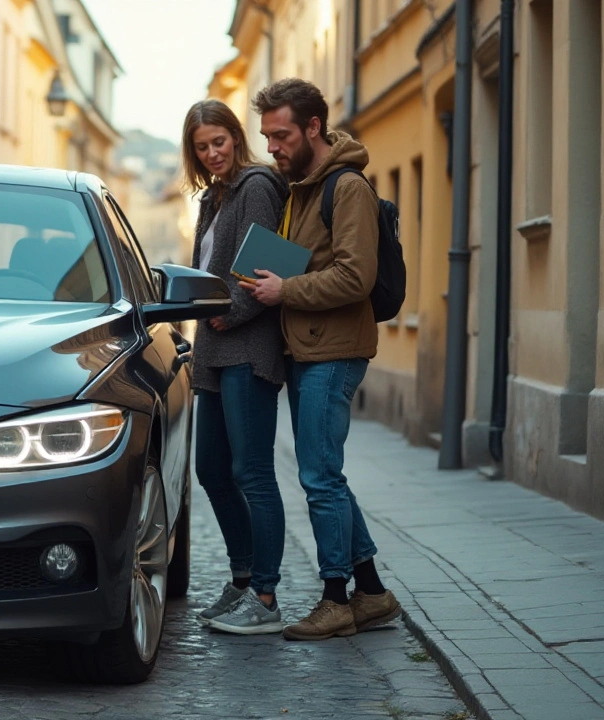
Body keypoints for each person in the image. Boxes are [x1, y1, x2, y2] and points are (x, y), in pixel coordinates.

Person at [241, 78, 402, 641]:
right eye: (266, 137)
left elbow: (356, 275)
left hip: (335, 349)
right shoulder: (302, 187)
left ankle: (336, 598)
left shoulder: (346, 186)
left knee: (318, 476)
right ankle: (373, 592)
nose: (272, 148)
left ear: (314, 128)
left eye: (281, 135)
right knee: (325, 472)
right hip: (307, 346)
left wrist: (286, 290)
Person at [181, 99, 290, 635]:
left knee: (253, 474)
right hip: (214, 352)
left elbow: (268, 265)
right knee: (210, 471)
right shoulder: (213, 198)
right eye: (202, 147)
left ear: (235, 136)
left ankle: (266, 598)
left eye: (218, 141)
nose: (212, 153)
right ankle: (243, 578)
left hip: (248, 347)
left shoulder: (256, 186)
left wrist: (231, 312)